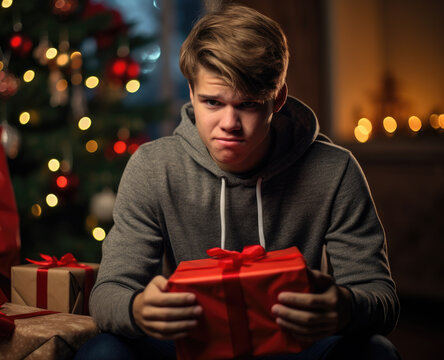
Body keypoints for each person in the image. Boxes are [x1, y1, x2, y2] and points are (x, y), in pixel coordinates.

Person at [75, 4, 400, 360]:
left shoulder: (334, 170)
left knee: (375, 352)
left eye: (247, 104)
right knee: (102, 351)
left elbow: (380, 296)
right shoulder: (154, 168)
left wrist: (345, 307)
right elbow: (107, 294)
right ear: (191, 92)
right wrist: (137, 309)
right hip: (190, 345)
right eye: (212, 102)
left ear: (277, 99)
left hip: (295, 347)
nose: (229, 123)